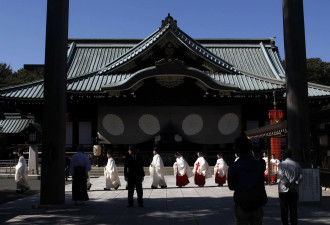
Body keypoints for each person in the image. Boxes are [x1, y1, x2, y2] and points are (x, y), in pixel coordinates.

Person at [228, 136, 267, 225]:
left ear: (237, 150)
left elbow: (231, 186)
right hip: (257, 201)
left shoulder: (233, 167)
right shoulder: (259, 165)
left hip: (242, 202)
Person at [278, 150, 302, 225]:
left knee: (284, 210)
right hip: (294, 189)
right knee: (293, 209)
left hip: (283, 190)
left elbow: (282, 176)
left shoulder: (281, 164)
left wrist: (288, 185)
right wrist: (295, 184)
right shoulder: (297, 164)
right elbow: (300, 176)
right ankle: (294, 223)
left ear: (284, 156)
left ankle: (285, 223)